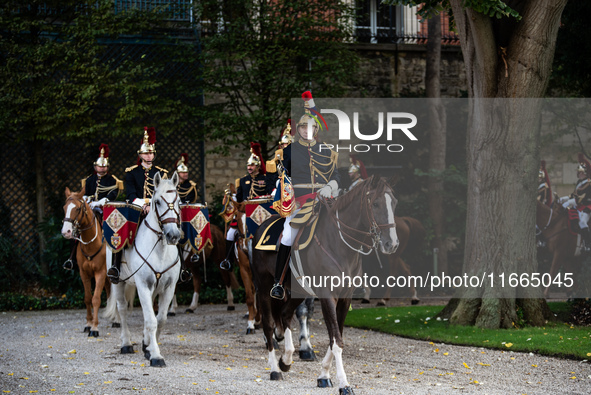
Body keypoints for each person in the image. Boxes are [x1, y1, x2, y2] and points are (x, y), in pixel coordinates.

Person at [266, 91, 340, 300]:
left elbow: (336, 176)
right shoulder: (289, 151)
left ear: (316, 130)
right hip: (298, 203)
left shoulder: (327, 151)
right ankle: (278, 282)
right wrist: (284, 191)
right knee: (288, 235)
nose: (306, 131)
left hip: (324, 201)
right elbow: (284, 176)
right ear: (298, 130)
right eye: (302, 127)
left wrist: (330, 186)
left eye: (310, 127)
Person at [107, 127, 172, 283]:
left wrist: (152, 206)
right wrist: (144, 205)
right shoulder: (131, 172)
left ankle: (181, 268)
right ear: (140, 155)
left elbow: (164, 194)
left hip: (158, 210)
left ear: (154, 155)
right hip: (138, 209)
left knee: (174, 230)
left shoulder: (162, 173)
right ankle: (116, 266)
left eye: (150, 153)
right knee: (121, 231)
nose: (148, 156)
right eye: (145, 153)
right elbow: (131, 194)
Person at [63, 144, 121, 270]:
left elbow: (113, 194)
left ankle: (115, 262)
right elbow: (85, 193)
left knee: (114, 230)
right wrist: (87, 199)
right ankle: (71, 258)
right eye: (99, 166)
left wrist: (101, 202)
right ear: (95, 166)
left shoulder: (111, 180)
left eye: (104, 166)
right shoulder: (90, 179)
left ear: (107, 167)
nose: (101, 169)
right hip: (89, 209)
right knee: (77, 229)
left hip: (104, 209)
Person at [558, 153, 591, 252]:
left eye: (580, 172)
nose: (579, 174)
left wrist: (569, 202)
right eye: (578, 172)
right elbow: (574, 195)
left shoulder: (589, 183)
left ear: (584, 172)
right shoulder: (579, 182)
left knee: (582, 222)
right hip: (579, 205)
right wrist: (563, 198)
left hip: (587, 206)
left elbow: (583, 198)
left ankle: (588, 244)